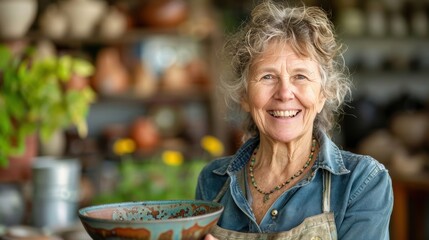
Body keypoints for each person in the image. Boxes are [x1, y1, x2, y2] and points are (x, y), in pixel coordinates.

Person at [195, 1, 393, 239]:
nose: (284, 93)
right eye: (267, 76)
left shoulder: (362, 182)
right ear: (244, 95)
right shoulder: (213, 182)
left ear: (323, 94)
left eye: (300, 76)